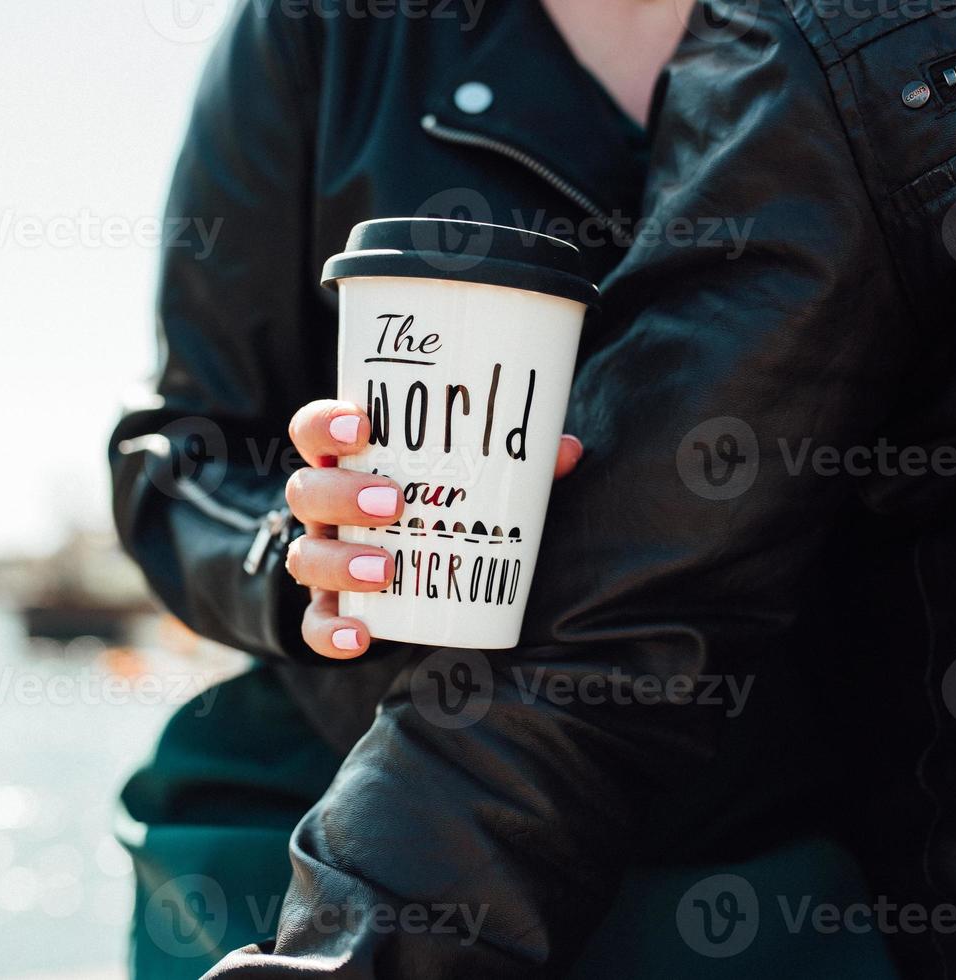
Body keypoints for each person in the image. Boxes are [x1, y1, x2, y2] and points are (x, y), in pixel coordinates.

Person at [111, 1, 897, 977]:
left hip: (749, 845)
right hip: (320, 811)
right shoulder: (326, 24)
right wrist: (292, 549)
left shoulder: (879, 35)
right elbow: (182, 448)